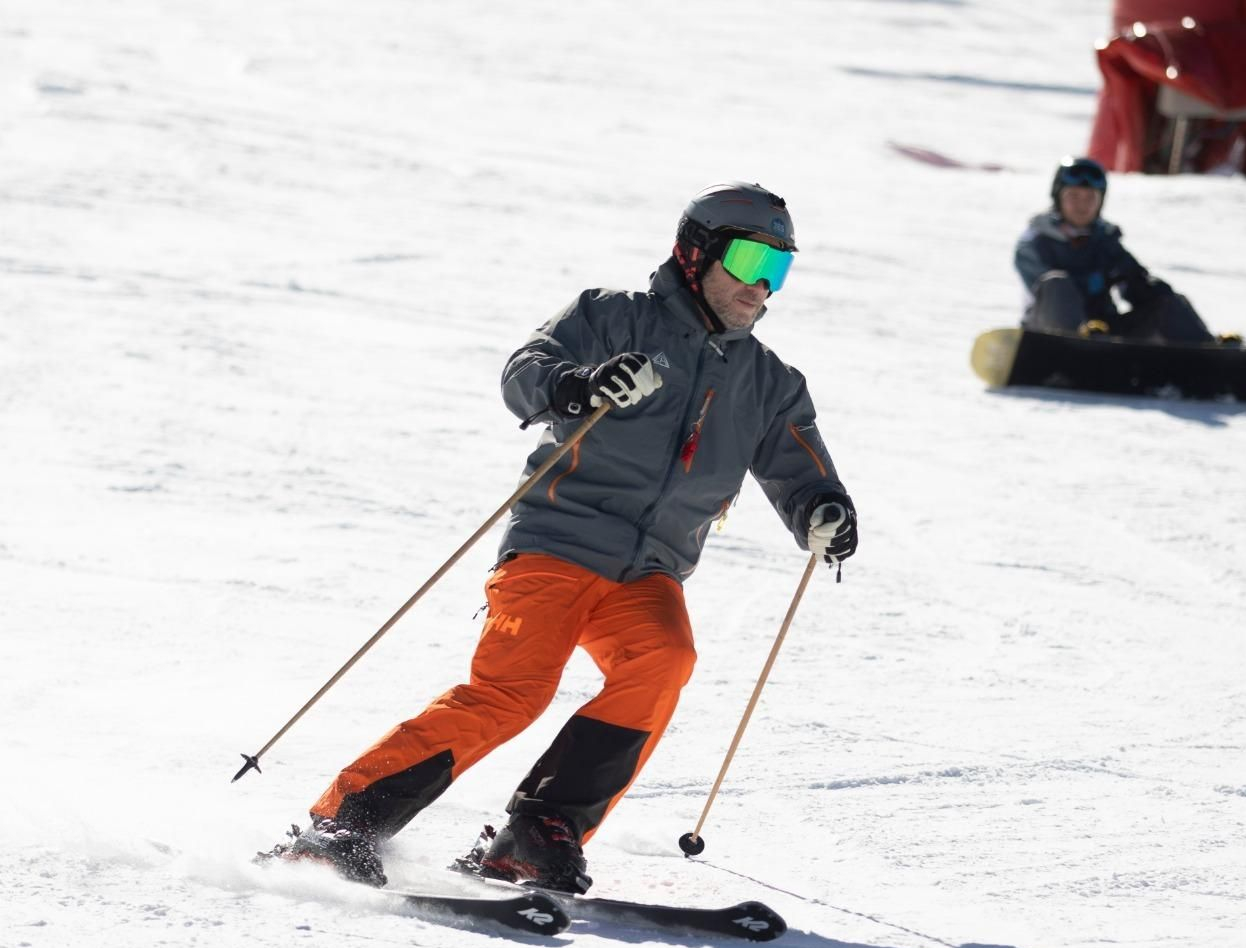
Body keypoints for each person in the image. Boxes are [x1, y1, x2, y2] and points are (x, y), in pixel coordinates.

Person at [274, 181, 858, 894]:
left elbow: (801, 467)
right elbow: (527, 372)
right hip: (555, 545)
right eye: (746, 259)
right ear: (696, 252)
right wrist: (579, 386)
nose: (759, 285)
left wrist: (823, 509)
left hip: (650, 572)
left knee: (665, 659)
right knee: (511, 693)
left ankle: (538, 831)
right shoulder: (612, 318)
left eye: (778, 269)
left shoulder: (768, 382)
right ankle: (343, 824)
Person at [1014, 156, 1216, 344]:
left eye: (1090, 198)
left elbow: (1134, 285)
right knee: (1057, 284)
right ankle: (1073, 349)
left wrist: (1151, 291)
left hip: (1102, 335)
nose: (1082, 205)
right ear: (1058, 198)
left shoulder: (1105, 242)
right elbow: (1041, 287)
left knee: (1162, 298)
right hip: (1048, 334)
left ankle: (1209, 354)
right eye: (1074, 196)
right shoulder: (1036, 242)